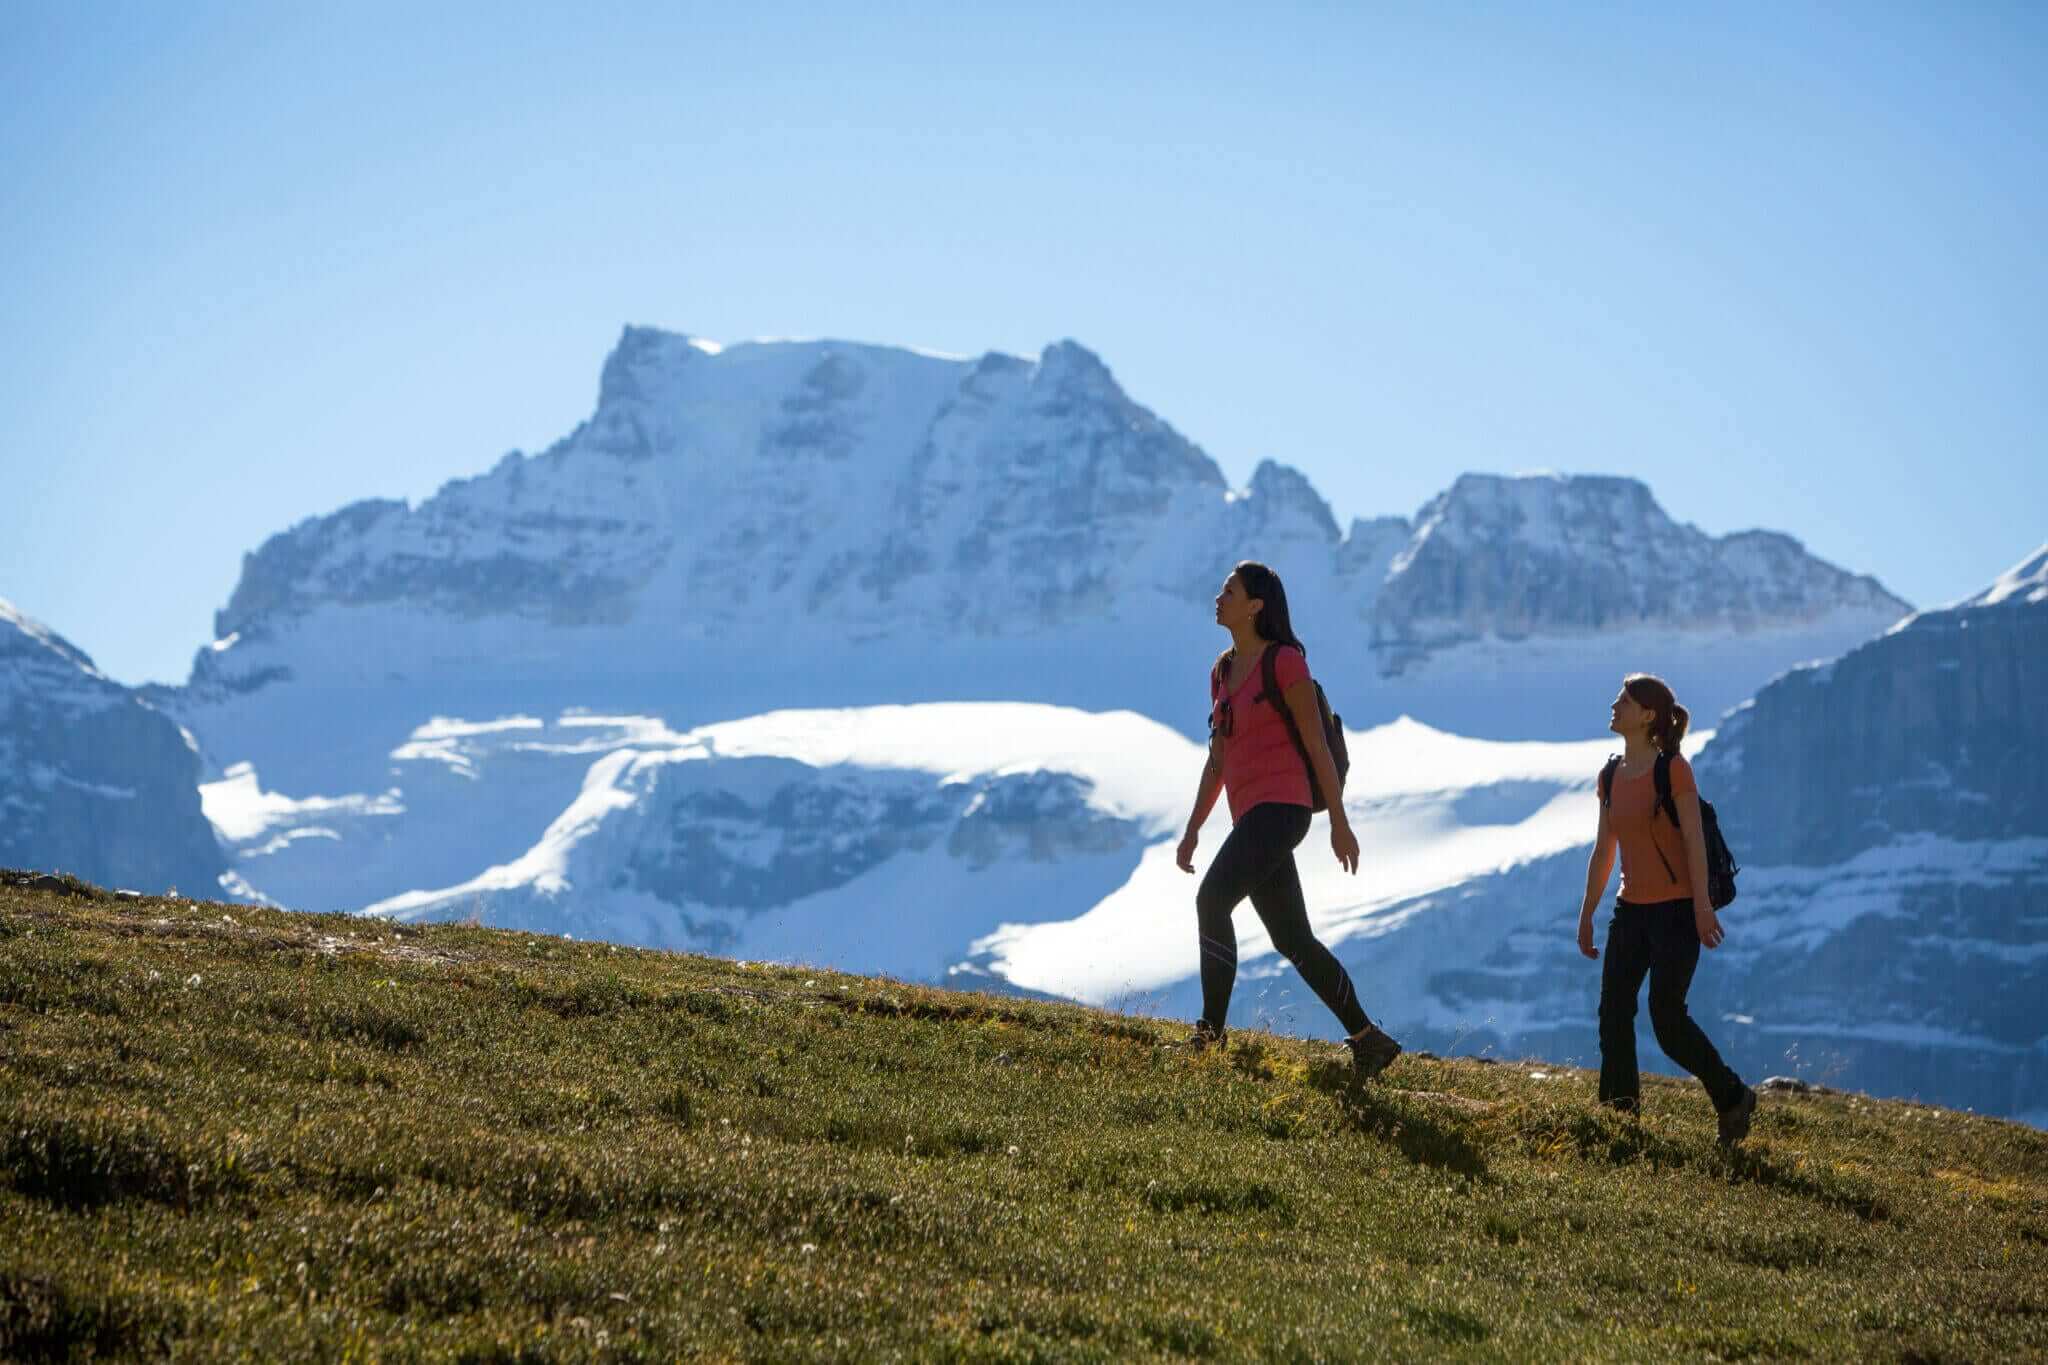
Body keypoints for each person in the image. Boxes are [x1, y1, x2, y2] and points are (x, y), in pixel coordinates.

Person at [1173, 561, 1402, 1078]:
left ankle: (1209, 1036)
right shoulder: (1223, 672)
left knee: (1212, 900)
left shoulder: (1286, 663)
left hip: (1283, 810)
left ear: (1255, 606)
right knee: (1292, 939)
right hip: (1249, 816)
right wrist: (1193, 830)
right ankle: (1370, 1040)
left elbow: (1318, 745)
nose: (1218, 597)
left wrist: (1339, 822)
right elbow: (1218, 761)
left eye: (1228, 591)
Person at [1577, 673, 1758, 1144]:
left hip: (1676, 913)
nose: (1615, 704)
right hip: (1630, 912)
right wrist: (1586, 914)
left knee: (1667, 1020)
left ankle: (1733, 1097)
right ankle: (1620, 1120)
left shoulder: (1673, 770)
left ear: (1648, 715)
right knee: (1613, 1012)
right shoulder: (1610, 776)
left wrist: (1702, 907)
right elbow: (1603, 851)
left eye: (1625, 700)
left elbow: (1695, 842)